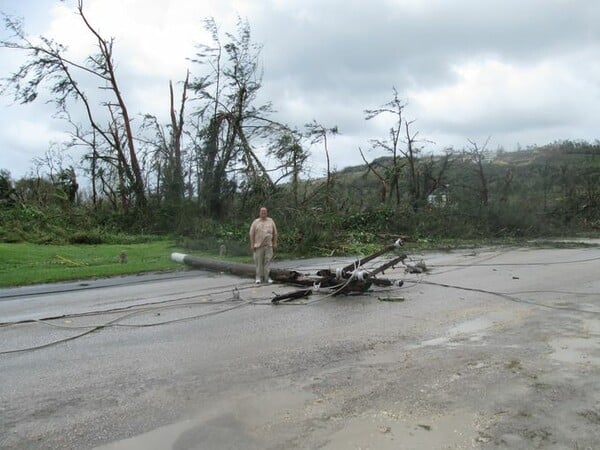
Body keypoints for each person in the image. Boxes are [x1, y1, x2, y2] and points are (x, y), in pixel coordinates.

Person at [249, 206, 278, 284]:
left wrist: (275, 243)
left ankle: (267, 277)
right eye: (262, 212)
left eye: (265, 212)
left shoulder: (271, 221)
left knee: (267, 262)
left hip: (268, 245)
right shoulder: (255, 222)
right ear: (259, 213)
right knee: (258, 263)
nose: (263, 213)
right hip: (258, 246)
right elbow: (251, 234)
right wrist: (252, 245)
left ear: (267, 213)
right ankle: (258, 277)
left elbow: (275, 233)